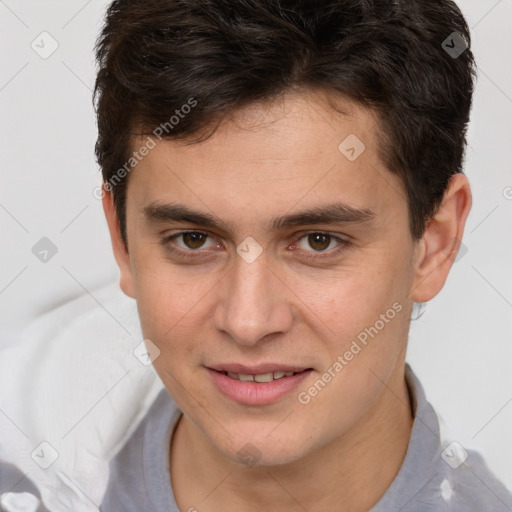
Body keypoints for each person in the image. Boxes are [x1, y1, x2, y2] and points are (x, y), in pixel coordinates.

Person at [2, 1, 512, 511]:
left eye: (318, 241)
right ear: (122, 239)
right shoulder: (25, 455)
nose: (247, 322)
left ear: (436, 242)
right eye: (193, 239)